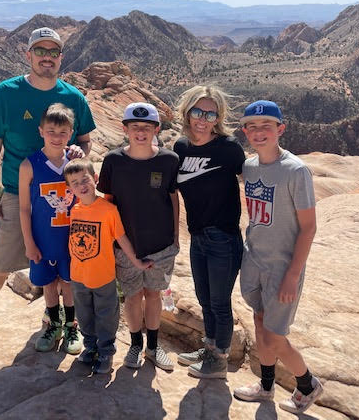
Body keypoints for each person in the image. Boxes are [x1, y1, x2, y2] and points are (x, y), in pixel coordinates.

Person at [0, 27, 95, 350]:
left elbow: (85, 141)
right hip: (18, 193)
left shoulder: (74, 98)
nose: (46, 58)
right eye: (40, 51)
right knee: (0, 265)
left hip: (65, 197)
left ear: (60, 58)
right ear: (28, 55)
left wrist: (80, 152)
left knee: (66, 266)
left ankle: (61, 323)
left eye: (53, 52)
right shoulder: (6, 93)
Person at [233, 100, 323, 414]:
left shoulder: (296, 171)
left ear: (280, 129)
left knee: (274, 336)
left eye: (266, 126)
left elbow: (309, 227)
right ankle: (266, 385)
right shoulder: (249, 167)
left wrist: (292, 276)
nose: (259, 133)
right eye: (252, 127)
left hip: (283, 266)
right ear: (245, 131)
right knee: (260, 321)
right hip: (255, 259)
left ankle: (308, 384)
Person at [97, 102, 180, 372]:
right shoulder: (113, 161)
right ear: (125, 129)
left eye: (146, 127)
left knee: (153, 295)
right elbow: (108, 201)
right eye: (135, 127)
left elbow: (173, 197)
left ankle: (153, 347)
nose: (141, 132)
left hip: (160, 244)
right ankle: (135, 345)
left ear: (157, 129)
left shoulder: (169, 160)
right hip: (126, 244)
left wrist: (176, 236)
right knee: (133, 296)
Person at [173, 86, 245, 379]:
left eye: (210, 114)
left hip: (224, 237)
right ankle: (211, 348)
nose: (203, 119)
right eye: (198, 112)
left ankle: (219, 361)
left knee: (219, 303)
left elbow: (254, 179)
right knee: (204, 299)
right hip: (198, 236)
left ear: (218, 118)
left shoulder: (228, 148)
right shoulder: (181, 147)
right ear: (187, 112)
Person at [64, 158, 152, 374]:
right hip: (78, 276)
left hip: (102, 276)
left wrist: (137, 262)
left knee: (106, 315)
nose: (81, 186)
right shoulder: (75, 210)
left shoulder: (108, 210)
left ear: (95, 179)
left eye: (85, 179)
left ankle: (105, 351)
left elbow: (121, 238)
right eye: (75, 183)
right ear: (70, 188)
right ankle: (90, 347)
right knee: (84, 315)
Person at [18, 104, 83, 354]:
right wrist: (29, 243)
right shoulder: (29, 165)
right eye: (51, 131)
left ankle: (71, 326)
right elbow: (24, 208)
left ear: (71, 133)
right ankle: (53, 325)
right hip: (43, 238)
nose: (57, 137)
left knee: (69, 282)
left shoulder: (75, 163)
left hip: (71, 238)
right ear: (41, 131)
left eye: (63, 132)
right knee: (48, 283)